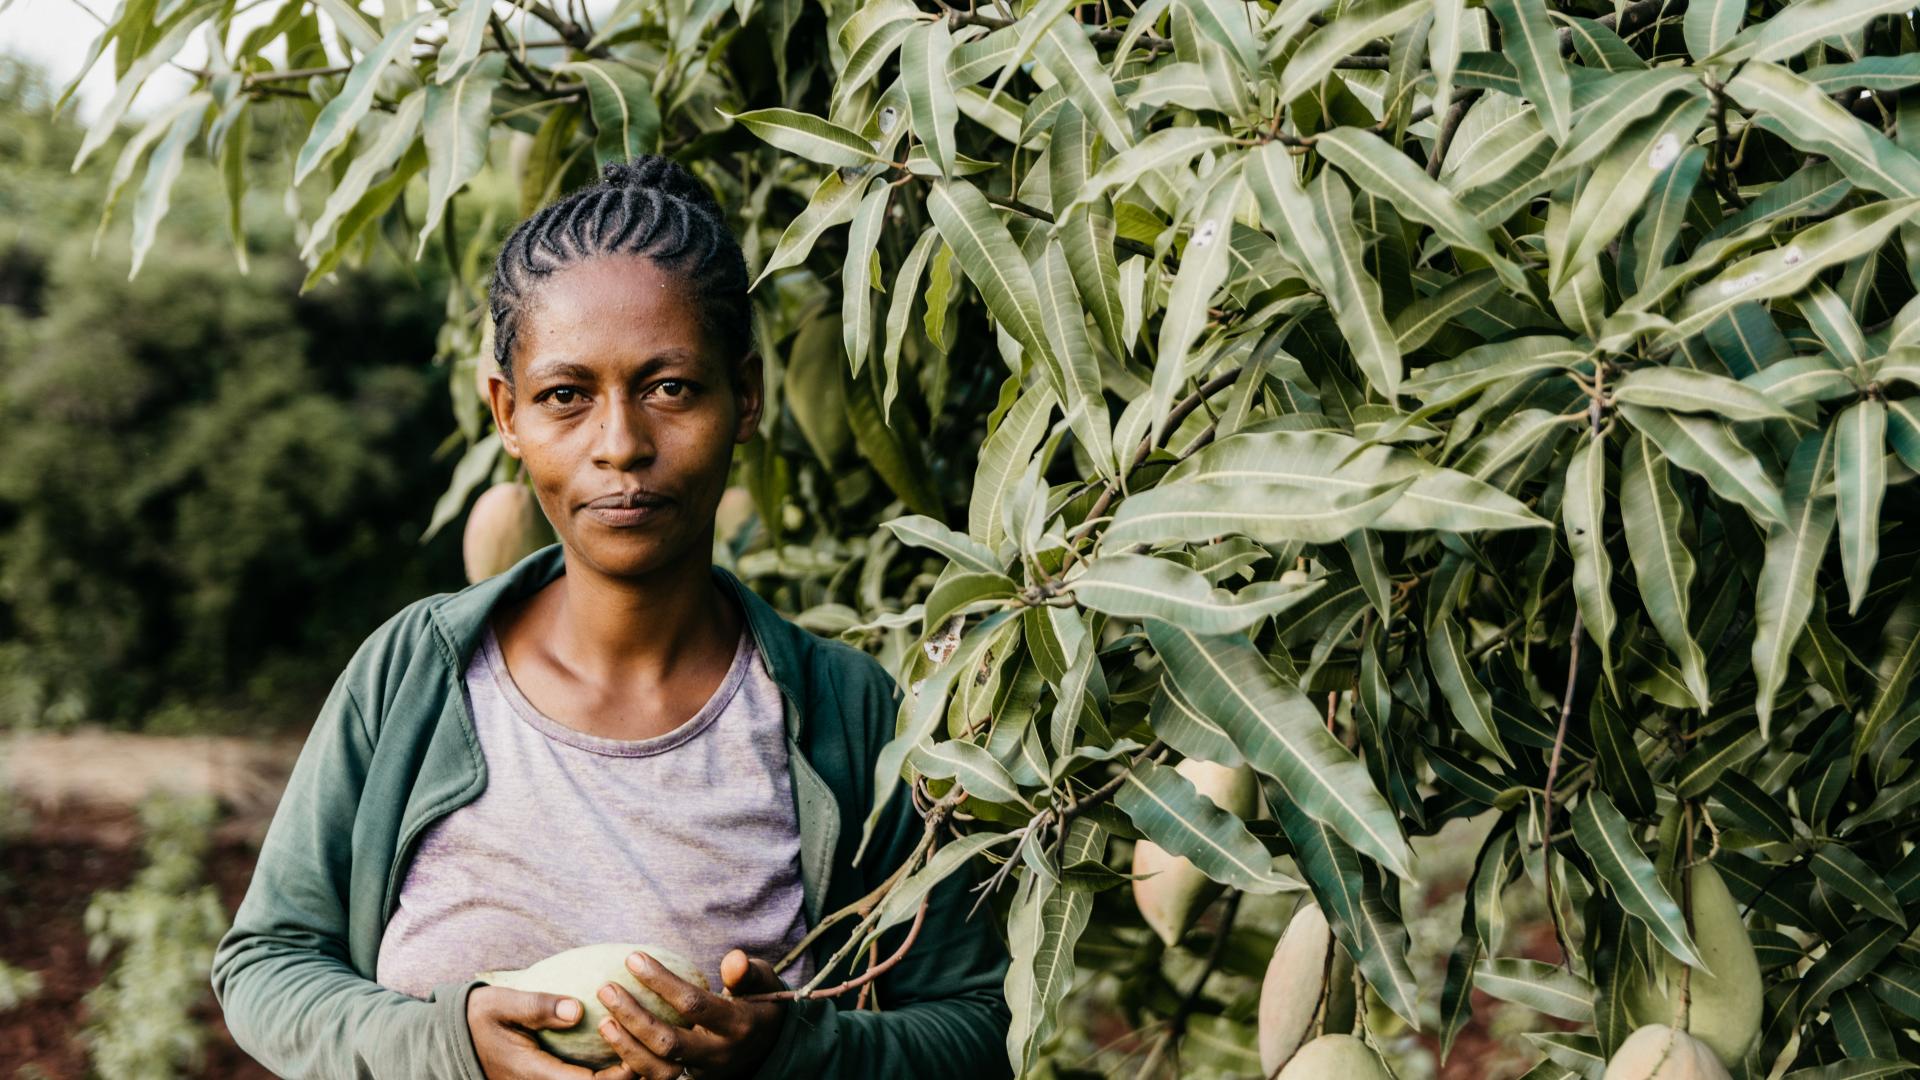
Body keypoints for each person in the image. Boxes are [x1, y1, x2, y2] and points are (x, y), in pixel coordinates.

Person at [210, 154, 1012, 1079]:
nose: (621, 444)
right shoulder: (413, 677)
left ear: (745, 397)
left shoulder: (847, 713)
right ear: (507, 414)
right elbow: (265, 966)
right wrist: (448, 1043)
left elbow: (975, 1023)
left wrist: (788, 1050)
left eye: (670, 387)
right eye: (566, 396)